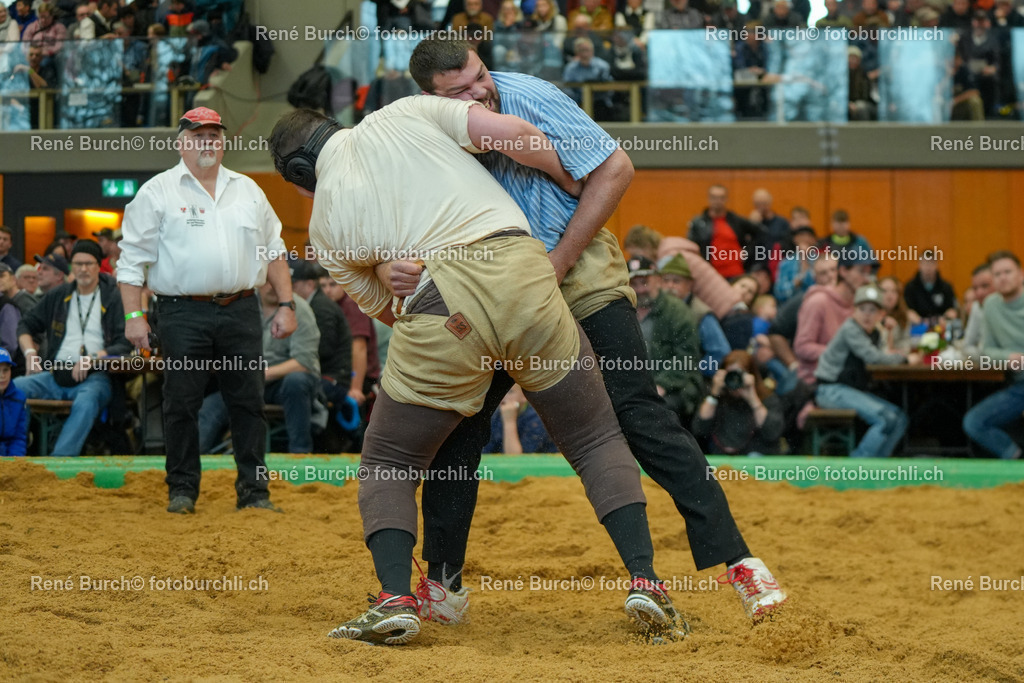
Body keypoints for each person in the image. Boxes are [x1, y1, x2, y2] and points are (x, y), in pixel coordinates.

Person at [270, 100, 688, 646]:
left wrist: (436, 309)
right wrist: (567, 179)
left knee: (390, 459)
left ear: (301, 174)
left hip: (439, 305)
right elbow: (513, 131)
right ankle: (647, 581)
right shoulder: (404, 112)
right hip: (522, 271)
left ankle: (396, 597)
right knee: (595, 437)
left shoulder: (324, 225)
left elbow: (387, 311)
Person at [403, 38, 786, 627]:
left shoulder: (532, 97)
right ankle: (443, 584)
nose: (479, 92)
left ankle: (742, 564)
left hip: (577, 266)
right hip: (496, 287)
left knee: (637, 411)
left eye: (479, 76)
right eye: (460, 91)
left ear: (481, 57)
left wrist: (558, 262)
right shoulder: (421, 129)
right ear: (432, 97)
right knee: (459, 424)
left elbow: (615, 168)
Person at [117, 106, 297, 514]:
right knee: (181, 402)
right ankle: (181, 488)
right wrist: (133, 317)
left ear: (224, 142)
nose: (208, 143)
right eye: (198, 136)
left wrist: (286, 304)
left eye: (214, 136)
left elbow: (274, 251)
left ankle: (254, 491)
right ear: (180, 144)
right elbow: (130, 262)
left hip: (241, 307)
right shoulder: (157, 192)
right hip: (181, 312)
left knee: (249, 401)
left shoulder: (249, 189)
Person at [15, 240, 130, 456]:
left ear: (98, 266)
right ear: (71, 267)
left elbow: (125, 342)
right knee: (13, 388)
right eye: (78, 264)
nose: (83, 269)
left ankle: (59, 462)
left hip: (94, 377)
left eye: (89, 263)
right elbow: (26, 325)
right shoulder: (58, 295)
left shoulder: (113, 297)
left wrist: (94, 357)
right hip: (55, 375)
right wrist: (30, 353)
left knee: (86, 402)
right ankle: (16, 452)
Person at [199, 282, 320, 454]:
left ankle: (300, 453)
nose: (272, 286)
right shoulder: (242, 306)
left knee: (296, 382)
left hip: (282, 384)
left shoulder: (299, 309)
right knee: (210, 408)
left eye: (276, 280)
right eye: (267, 281)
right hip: (248, 382)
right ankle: (195, 460)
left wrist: (260, 374)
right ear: (258, 281)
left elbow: (303, 363)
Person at [814, 285, 920, 458]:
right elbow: (874, 357)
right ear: (854, 311)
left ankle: (877, 467)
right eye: (862, 309)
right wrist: (906, 360)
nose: (867, 314)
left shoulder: (874, 333)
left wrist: (889, 334)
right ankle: (857, 466)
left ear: (881, 314)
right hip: (831, 390)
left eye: (872, 310)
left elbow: (885, 353)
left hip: (850, 390)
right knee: (885, 419)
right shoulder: (850, 329)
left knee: (899, 419)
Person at [963, 251, 1024, 460]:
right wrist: (1008, 357)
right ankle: (1016, 460)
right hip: (1017, 385)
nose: (1003, 278)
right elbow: (986, 350)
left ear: (1021, 274)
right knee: (974, 423)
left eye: (1008, 272)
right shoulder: (990, 305)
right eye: (997, 274)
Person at [629, 256, 704, 425]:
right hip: (638, 389)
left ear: (657, 280)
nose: (640, 289)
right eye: (634, 284)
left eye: (645, 282)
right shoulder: (624, 312)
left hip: (677, 386)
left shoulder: (677, 311)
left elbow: (686, 358)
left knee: (658, 411)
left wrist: (661, 385)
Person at [793, 253, 873, 385]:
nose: (867, 279)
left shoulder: (859, 305)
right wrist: (842, 353)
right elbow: (802, 347)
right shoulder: (817, 301)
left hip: (849, 377)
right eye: (861, 272)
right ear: (843, 271)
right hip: (819, 380)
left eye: (869, 273)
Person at [290, 260, 353, 422]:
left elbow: (323, 350)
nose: (288, 289)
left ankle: (304, 436)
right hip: (327, 376)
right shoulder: (314, 304)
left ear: (310, 285)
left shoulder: (320, 307)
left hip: (333, 380)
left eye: (293, 284)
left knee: (295, 387)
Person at [692, 350, 785, 455]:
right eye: (730, 374)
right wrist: (714, 394)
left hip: (755, 457)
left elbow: (772, 433)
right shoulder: (716, 397)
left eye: (739, 375)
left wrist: (753, 398)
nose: (735, 380)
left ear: (751, 375)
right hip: (719, 458)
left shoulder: (767, 398)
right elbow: (699, 429)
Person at [657, 253, 730, 378]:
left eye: (676, 281)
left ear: (689, 284)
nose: (670, 286)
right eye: (665, 280)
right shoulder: (655, 309)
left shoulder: (701, 314)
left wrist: (693, 373)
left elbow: (720, 352)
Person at [687, 185, 760, 279]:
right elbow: (690, 246)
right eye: (714, 197)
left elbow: (759, 233)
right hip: (710, 274)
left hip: (735, 273)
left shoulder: (735, 220)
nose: (717, 201)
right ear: (709, 199)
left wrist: (746, 252)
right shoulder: (698, 223)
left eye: (721, 198)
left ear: (726, 199)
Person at [482, 383, 558, 454]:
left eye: (510, 392)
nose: (503, 397)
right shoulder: (494, 416)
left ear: (524, 396)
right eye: (500, 392)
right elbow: (484, 453)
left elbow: (516, 458)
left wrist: (509, 421)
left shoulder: (537, 419)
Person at [903, 249, 958, 322]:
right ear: (920, 265)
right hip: (918, 325)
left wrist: (947, 316)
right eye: (925, 263)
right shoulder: (910, 287)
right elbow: (907, 310)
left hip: (941, 324)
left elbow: (952, 309)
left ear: (936, 265)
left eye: (931, 263)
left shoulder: (946, 287)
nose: (928, 267)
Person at [773, 225, 817, 304]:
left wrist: (804, 260)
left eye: (808, 236)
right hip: (791, 304)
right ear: (795, 239)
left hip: (815, 302)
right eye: (802, 235)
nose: (805, 238)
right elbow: (779, 292)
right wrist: (794, 283)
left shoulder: (820, 262)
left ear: (814, 240)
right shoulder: (785, 263)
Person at [0, 347, 28, 456]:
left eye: (6, 370)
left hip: (9, 457)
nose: (2, 376)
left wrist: (15, 460)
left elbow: (18, 437)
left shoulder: (19, 397)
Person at [963, 263, 995, 356]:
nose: (979, 293)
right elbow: (967, 345)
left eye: (985, 286)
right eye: (975, 288)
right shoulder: (976, 307)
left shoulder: (1009, 304)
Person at [878, 276, 915, 353]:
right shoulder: (871, 315)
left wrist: (898, 352)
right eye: (885, 291)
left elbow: (906, 341)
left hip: (898, 357)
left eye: (894, 291)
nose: (889, 295)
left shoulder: (903, 315)